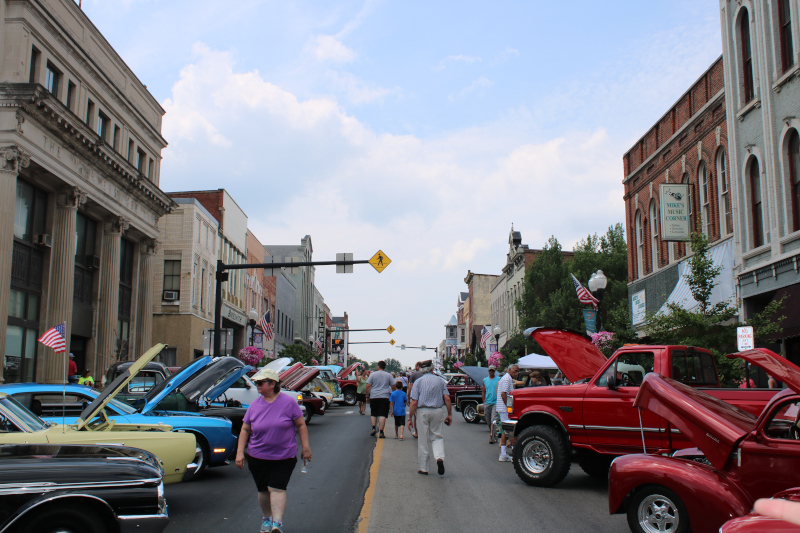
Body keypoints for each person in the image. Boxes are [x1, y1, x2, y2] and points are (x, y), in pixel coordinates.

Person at [236, 367, 311, 533]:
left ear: (272, 384)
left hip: (284, 456)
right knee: (263, 490)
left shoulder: (288, 402)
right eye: (257, 383)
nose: (257, 385)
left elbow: (301, 425)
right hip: (257, 455)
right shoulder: (255, 405)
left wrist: (305, 448)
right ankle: (267, 519)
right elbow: (245, 429)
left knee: (277, 488)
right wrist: (240, 452)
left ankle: (277, 523)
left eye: (260, 383)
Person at [407, 360, 451, 475]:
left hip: (422, 411)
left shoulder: (418, 382)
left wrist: (410, 418)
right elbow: (446, 398)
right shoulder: (440, 381)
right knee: (437, 436)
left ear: (421, 370)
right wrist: (449, 414)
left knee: (423, 439)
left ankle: (424, 468)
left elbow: (414, 402)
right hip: (438, 410)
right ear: (432, 369)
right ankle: (439, 457)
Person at [496, 364, 519, 462]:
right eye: (515, 371)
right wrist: (508, 407)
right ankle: (514, 453)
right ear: (510, 370)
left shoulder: (506, 378)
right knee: (511, 430)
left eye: (518, 371)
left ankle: (503, 453)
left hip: (503, 408)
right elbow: (503, 393)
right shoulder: (507, 379)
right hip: (505, 409)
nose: (517, 373)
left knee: (506, 431)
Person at [366, 361, 394, 438]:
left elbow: (368, 386)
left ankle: (373, 428)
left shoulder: (372, 374)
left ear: (378, 366)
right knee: (382, 414)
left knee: (374, 413)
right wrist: (393, 395)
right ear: (384, 367)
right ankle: (381, 432)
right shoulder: (389, 375)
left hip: (374, 396)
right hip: (385, 397)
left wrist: (367, 396)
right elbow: (393, 386)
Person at [482, 366, 500, 443]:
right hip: (487, 402)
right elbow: (483, 391)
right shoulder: (485, 380)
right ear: (488, 371)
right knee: (488, 419)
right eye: (490, 371)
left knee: (494, 420)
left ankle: (492, 435)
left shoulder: (498, 379)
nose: (491, 372)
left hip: (495, 402)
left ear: (494, 371)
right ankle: (493, 431)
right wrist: (484, 401)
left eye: (493, 370)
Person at [407, 362, 423, 438]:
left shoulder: (414, 375)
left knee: (416, 417)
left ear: (417, 367)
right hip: (426, 398)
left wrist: (408, 397)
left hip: (416, 397)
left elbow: (410, 388)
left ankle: (417, 433)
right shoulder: (427, 374)